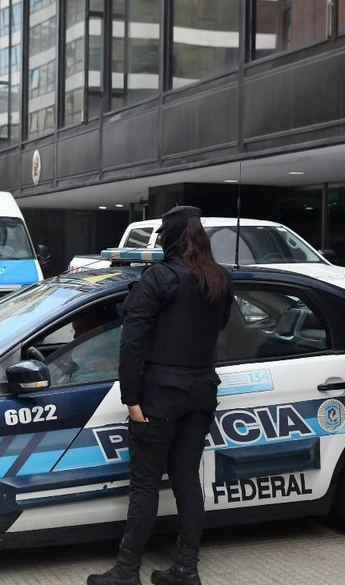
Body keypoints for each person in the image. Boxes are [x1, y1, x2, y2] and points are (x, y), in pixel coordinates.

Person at [88, 205, 233, 585]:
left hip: (160, 397)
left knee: (145, 484)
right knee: (187, 479)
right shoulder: (219, 278)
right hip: (201, 392)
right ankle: (186, 569)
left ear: (169, 237)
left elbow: (131, 343)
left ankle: (126, 571)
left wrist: (131, 399)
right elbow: (220, 326)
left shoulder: (159, 278)